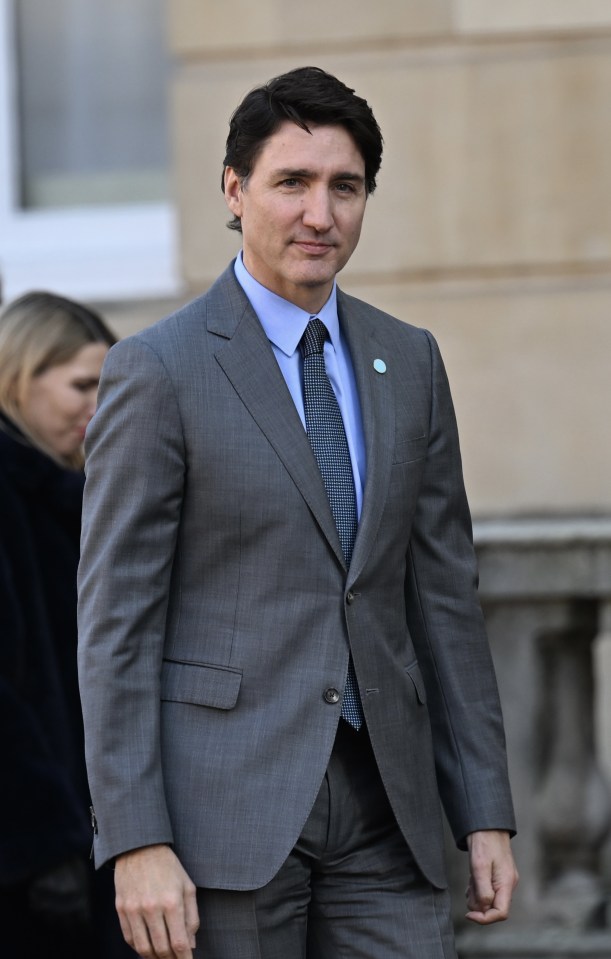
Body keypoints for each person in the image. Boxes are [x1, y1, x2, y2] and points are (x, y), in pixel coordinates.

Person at [78, 66, 518, 959]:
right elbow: (115, 623)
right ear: (236, 192)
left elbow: (443, 602)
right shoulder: (158, 371)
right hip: (222, 822)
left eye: (344, 187)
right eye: (293, 183)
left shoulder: (411, 361)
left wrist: (483, 809)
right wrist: (134, 837)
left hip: (387, 812)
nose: (321, 214)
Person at [0, 291, 131, 958]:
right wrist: (43, 844)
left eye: (107, 387)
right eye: (81, 385)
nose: (96, 405)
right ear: (17, 378)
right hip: (32, 863)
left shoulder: (74, 494)